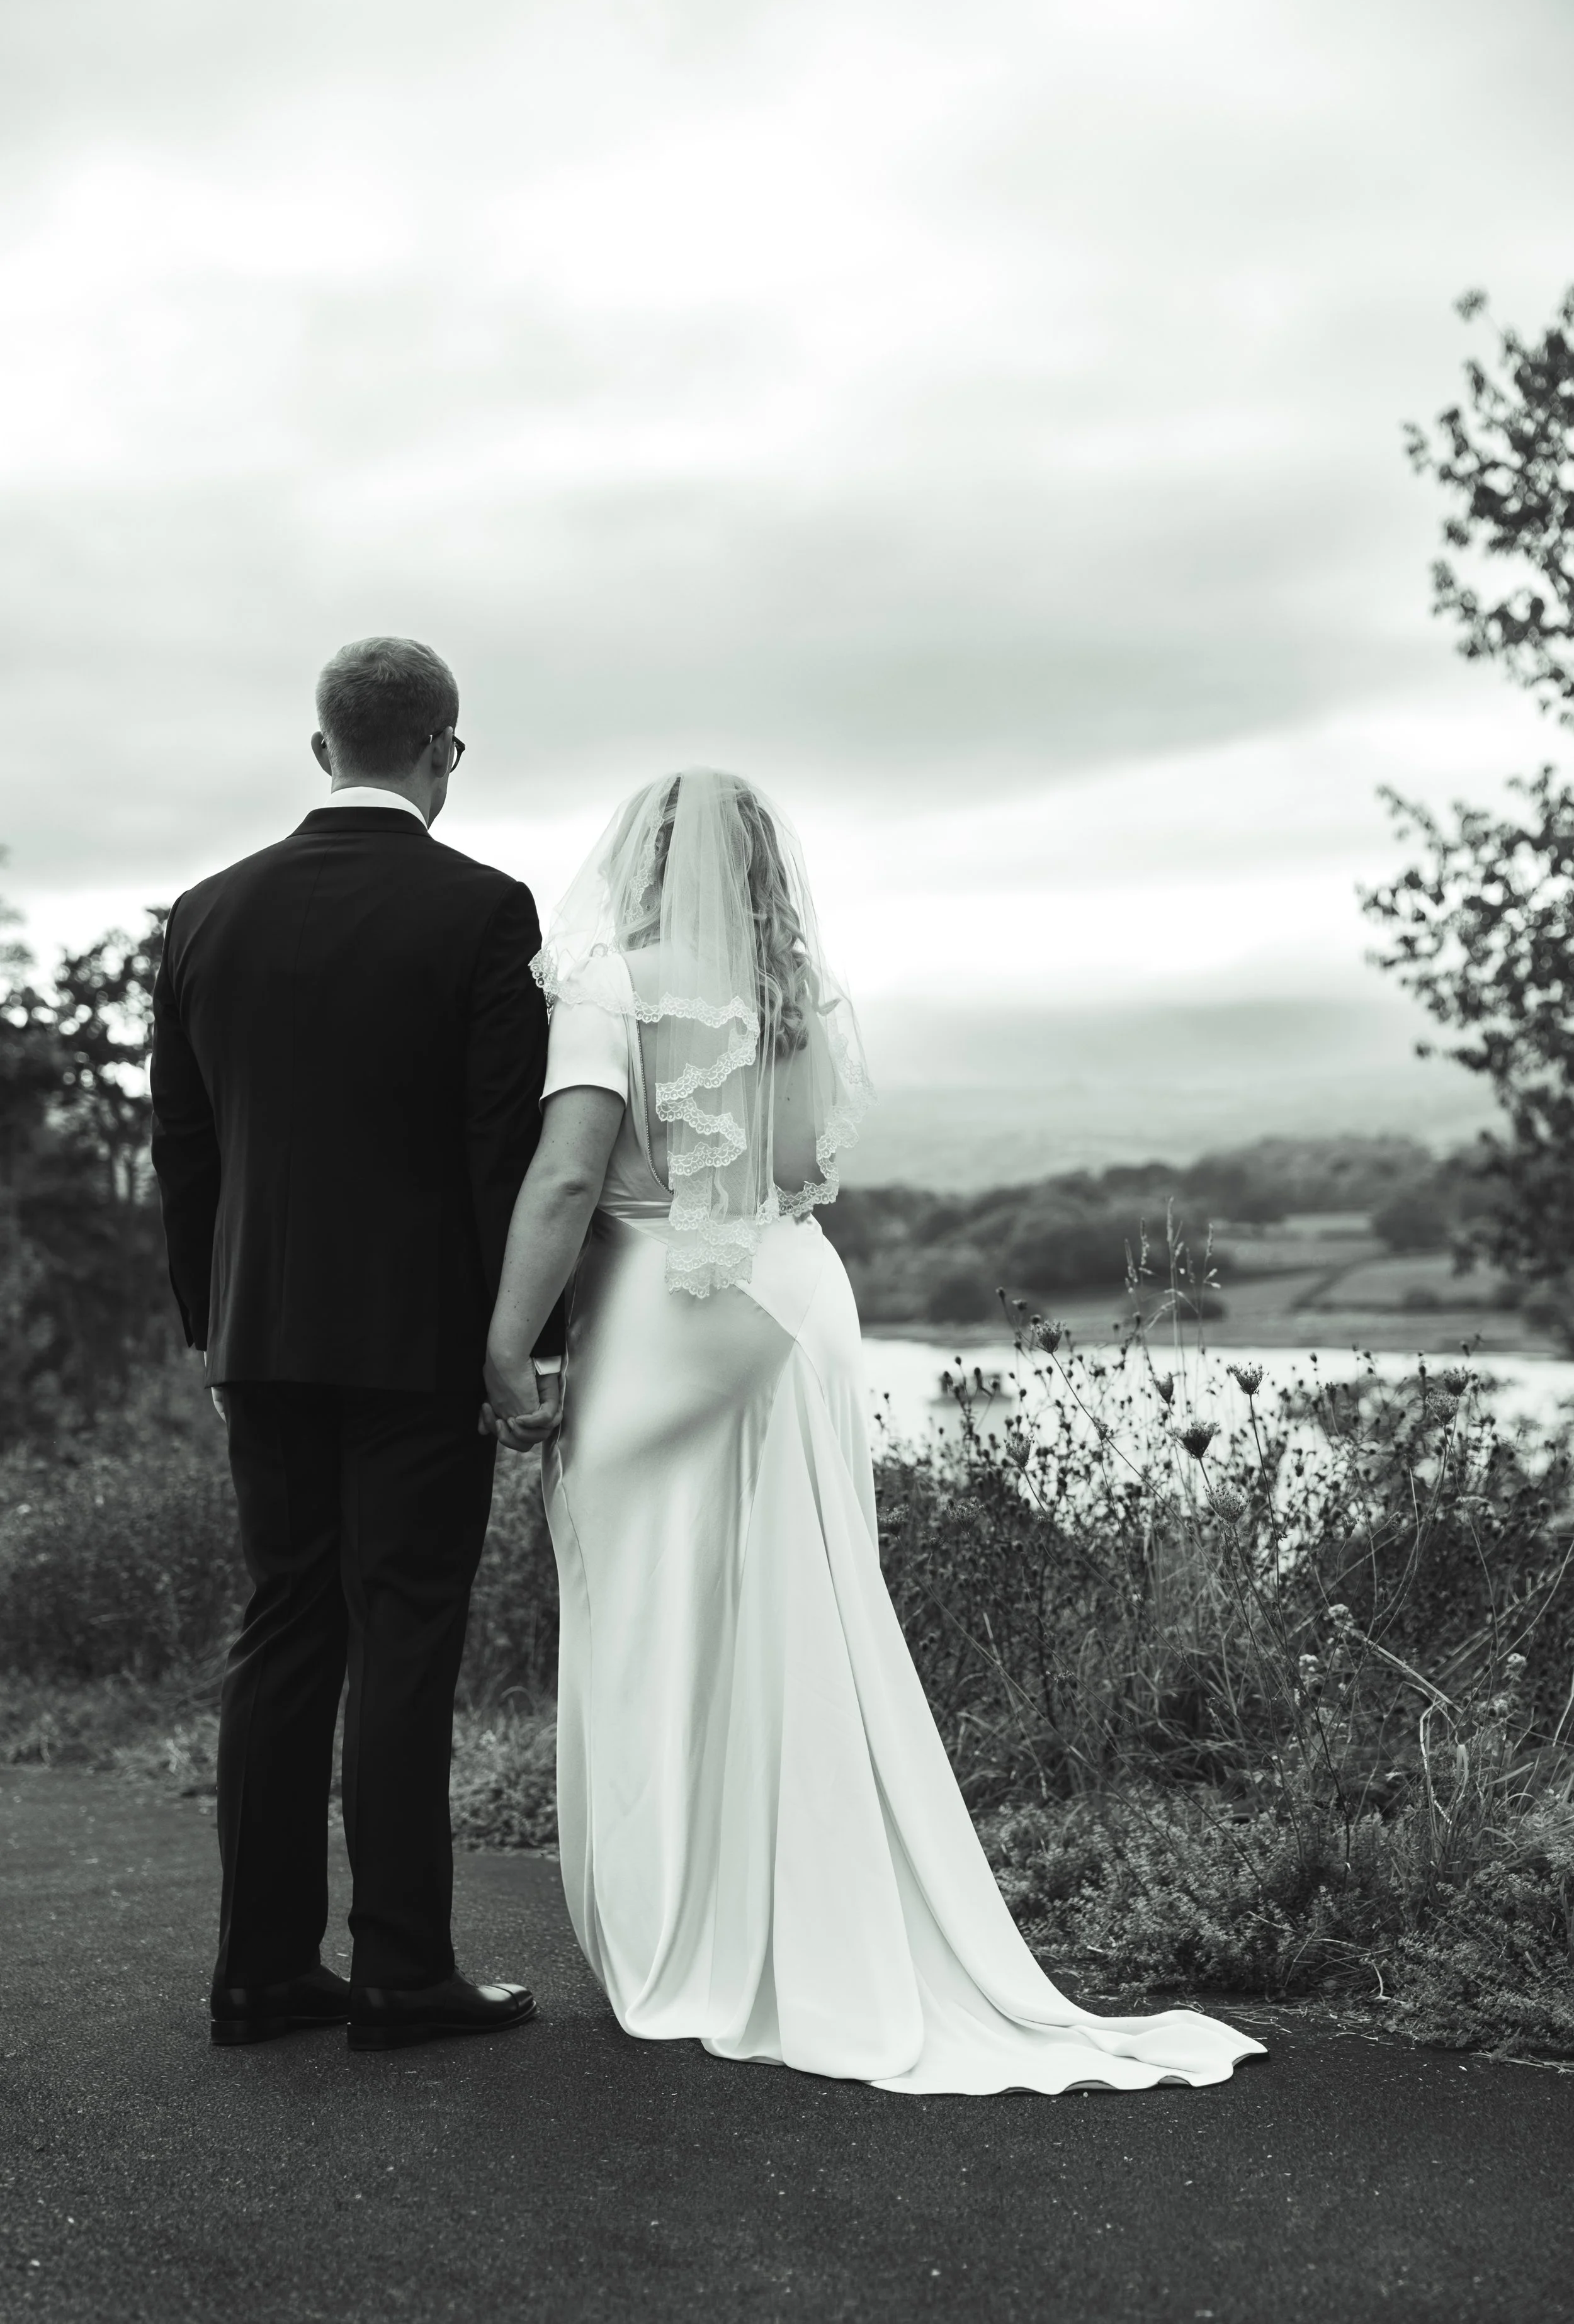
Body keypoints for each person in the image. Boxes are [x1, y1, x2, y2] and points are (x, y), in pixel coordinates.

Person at [482, 769, 1266, 2094]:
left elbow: (568, 1173)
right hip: (793, 1306)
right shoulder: (794, 993)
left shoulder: (611, 982)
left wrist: (505, 1343)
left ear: (649, 858)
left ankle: (675, 1934)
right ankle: (798, 1923)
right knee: (799, 1621)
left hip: (664, 1323)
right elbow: (785, 1178)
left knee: (650, 1622)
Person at [150, 637, 556, 2051]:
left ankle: (260, 1971)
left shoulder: (204, 915)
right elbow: (503, 1153)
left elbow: (183, 1157)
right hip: (421, 1344)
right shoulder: (482, 912)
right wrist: (529, 1344)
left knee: (282, 1632)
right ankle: (399, 1969)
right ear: (445, 749)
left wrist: (219, 1331)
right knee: (405, 1638)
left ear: (321, 750)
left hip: (259, 1336)